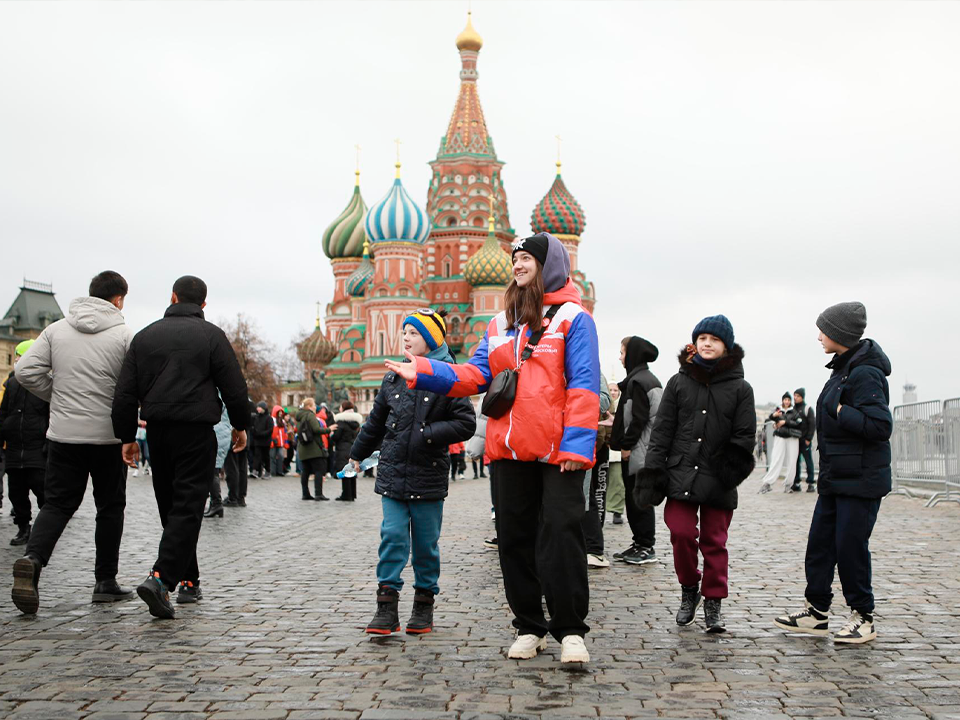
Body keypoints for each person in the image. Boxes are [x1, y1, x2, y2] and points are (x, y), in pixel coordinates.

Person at [386, 232, 600, 664]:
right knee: (514, 540)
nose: (517, 265)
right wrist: (424, 371)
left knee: (561, 534)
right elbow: (474, 375)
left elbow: (584, 385)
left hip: (559, 451)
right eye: (516, 258)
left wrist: (578, 444)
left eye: (526, 259)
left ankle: (570, 629)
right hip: (509, 449)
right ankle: (529, 625)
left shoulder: (573, 319)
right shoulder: (500, 324)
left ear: (549, 265)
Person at [112, 275, 249, 619]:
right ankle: (161, 578)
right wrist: (241, 424)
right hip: (196, 430)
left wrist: (127, 436)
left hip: (157, 430)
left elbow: (125, 392)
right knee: (187, 506)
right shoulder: (211, 336)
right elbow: (234, 385)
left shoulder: (145, 337)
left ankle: (190, 579)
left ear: (172, 297)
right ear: (203, 305)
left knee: (171, 506)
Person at [11, 271, 134, 615]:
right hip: (107, 437)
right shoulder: (124, 334)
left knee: (57, 505)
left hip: (64, 435)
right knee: (109, 507)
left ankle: (33, 559)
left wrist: (59, 396)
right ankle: (104, 582)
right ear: (119, 299)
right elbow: (130, 387)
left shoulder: (56, 330)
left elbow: (25, 372)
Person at [351, 310, 475, 635]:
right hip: (393, 472)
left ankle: (423, 606)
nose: (405, 338)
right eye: (404, 332)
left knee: (425, 544)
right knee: (391, 538)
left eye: (413, 333)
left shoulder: (448, 376)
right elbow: (376, 421)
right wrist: (357, 454)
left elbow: (466, 422)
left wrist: (426, 434)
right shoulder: (394, 376)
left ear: (431, 340)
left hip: (428, 474)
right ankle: (386, 607)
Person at [775, 302, 891, 644]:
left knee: (850, 546)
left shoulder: (865, 372)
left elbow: (880, 425)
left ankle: (863, 616)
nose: (819, 336)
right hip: (836, 477)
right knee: (821, 544)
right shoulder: (842, 369)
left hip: (861, 479)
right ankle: (816, 612)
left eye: (823, 330)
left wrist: (840, 410)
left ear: (840, 334)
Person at [635, 315, 756, 633]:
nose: (706, 343)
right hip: (680, 473)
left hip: (718, 477)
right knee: (681, 532)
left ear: (726, 347)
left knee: (715, 542)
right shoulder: (678, 382)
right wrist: (653, 472)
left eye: (714, 339)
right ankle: (690, 589)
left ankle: (713, 601)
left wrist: (731, 472)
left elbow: (744, 436)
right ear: (694, 343)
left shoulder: (741, 388)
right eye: (702, 338)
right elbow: (662, 431)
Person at [610, 336, 662, 566]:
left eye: (622, 352)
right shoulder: (644, 378)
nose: (620, 357)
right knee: (635, 499)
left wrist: (626, 445)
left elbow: (638, 419)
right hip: (642, 450)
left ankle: (645, 546)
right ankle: (639, 542)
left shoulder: (638, 382)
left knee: (639, 500)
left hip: (637, 452)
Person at [0, 340, 48, 546]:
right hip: (14, 447)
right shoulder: (11, 383)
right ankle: (23, 528)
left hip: (37, 446)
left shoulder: (45, 382)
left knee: (42, 491)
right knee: (16, 493)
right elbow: (4, 412)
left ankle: (43, 529)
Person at [582, 374, 612, 568]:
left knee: (585, 494)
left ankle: (594, 549)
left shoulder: (591, 365)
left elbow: (604, 400)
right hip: (548, 439)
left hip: (581, 438)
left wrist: (574, 398)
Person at [757, 393, 803, 493]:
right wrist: (774, 417)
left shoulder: (794, 412)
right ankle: (768, 482)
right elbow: (770, 418)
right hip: (780, 436)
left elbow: (798, 423)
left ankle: (788, 484)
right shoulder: (778, 411)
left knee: (792, 461)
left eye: (788, 400)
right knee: (776, 459)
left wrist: (785, 422)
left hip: (792, 437)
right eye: (785, 400)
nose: (786, 402)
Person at [296, 397, 336, 500]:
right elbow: (316, 429)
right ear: (309, 406)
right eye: (314, 405)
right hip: (313, 448)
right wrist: (328, 429)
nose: (315, 407)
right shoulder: (310, 415)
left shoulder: (299, 416)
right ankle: (318, 494)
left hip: (303, 447)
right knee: (319, 470)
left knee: (305, 471)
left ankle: (305, 494)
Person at [202, 400, 234, 519]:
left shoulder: (218, 395)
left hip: (218, 432)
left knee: (212, 470)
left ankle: (216, 503)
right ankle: (214, 503)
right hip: (222, 431)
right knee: (212, 470)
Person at [332, 401, 363, 501]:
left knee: (345, 471)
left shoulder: (340, 421)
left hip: (343, 449)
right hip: (354, 448)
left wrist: (331, 435)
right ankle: (352, 494)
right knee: (352, 471)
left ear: (343, 408)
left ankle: (346, 495)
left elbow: (336, 437)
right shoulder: (356, 422)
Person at [606, 383, 625, 525]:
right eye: (610, 390)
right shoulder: (605, 405)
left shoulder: (622, 406)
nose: (613, 392)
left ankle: (616, 510)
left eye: (615, 390)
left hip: (616, 454)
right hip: (603, 450)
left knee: (617, 483)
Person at [794, 388, 817, 492]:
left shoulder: (807, 408)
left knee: (808, 462)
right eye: (794, 395)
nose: (795, 398)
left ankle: (811, 483)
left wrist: (808, 438)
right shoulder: (793, 409)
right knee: (795, 462)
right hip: (795, 441)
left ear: (802, 397)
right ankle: (796, 482)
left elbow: (812, 424)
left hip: (805, 440)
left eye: (798, 396)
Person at [250, 402, 273, 477]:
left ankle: (268, 471)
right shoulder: (256, 417)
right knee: (257, 456)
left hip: (265, 441)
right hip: (257, 440)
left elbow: (270, 430)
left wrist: (261, 433)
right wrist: (254, 432)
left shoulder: (269, 418)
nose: (257, 409)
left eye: (259, 407)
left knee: (266, 456)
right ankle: (255, 470)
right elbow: (253, 427)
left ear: (264, 408)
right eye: (257, 407)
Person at [269, 406, 289, 477]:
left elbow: (285, 434)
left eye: (281, 412)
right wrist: (271, 440)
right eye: (279, 412)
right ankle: (272, 471)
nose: (280, 414)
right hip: (273, 442)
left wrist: (286, 443)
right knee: (272, 457)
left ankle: (279, 471)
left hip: (280, 443)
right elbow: (269, 432)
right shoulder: (271, 420)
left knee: (281, 456)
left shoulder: (282, 421)